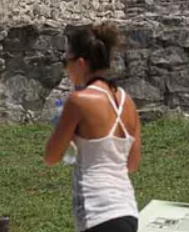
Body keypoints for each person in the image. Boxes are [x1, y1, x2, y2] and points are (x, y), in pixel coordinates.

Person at [44, 23, 142, 232]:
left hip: (96, 211)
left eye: (65, 61)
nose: (66, 69)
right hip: (127, 210)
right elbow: (131, 164)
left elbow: (51, 157)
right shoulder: (128, 102)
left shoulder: (79, 100)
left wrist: (62, 130)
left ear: (80, 63)